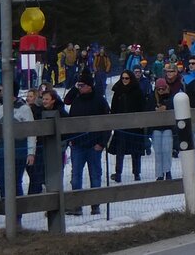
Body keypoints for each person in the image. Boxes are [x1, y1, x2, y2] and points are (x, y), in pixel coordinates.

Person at [62, 71, 110, 216]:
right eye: (79, 85)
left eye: (82, 85)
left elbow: (108, 123)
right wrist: (71, 138)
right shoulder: (76, 98)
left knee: (95, 175)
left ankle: (95, 205)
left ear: (90, 86)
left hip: (94, 144)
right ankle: (77, 205)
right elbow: (66, 101)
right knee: (76, 176)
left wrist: (102, 143)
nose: (80, 87)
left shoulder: (100, 100)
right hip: (77, 144)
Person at [108, 71, 146, 183]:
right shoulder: (118, 91)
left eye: (127, 78)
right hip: (121, 126)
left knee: (136, 151)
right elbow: (114, 108)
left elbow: (142, 107)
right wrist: (114, 121)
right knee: (120, 151)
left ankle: (136, 173)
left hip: (135, 126)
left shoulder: (137, 91)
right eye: (123, 78)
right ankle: (118, 173)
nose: (124, 80)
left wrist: (140, 122)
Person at [150, 79, 174, 180]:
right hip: (156, 127)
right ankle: (159, 174)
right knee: (158, 151)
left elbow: (174, 108)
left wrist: (166, 107)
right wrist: (155, 110)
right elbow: (148, 109)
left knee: (167, 150)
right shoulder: (152, 97)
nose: (160, 91)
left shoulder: (171, 97)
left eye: (162, 89)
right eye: (158, 89)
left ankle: (167, 171)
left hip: (168, 126)